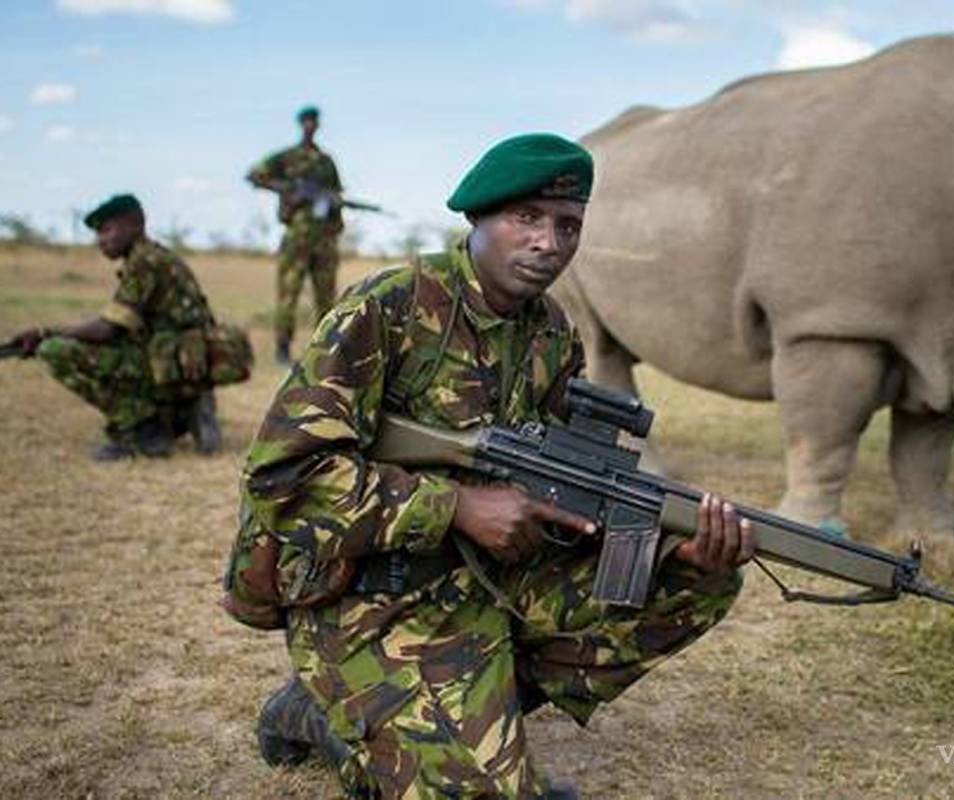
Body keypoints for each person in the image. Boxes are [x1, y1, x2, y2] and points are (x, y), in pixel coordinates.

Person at [235, 133, 754, 799]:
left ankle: (473, 702)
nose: (549, 243)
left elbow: (560, 478)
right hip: (368, 592)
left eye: (568, 226)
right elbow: (282, 477)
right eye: (527, 217)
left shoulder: (551, 332)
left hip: (483, 582)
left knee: (697, 579)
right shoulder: (389, 306)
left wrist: (670, 546)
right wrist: (456, 507)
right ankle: (326, 709)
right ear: (477, 216)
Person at [8, 193, 222, 460]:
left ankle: (144, 430)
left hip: (172, 365)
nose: (101, 239)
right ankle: (178, 411)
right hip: (180, 364)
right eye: (98, 232)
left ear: (135, 224)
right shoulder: (156, 256)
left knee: (55, 350)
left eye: (107, 229)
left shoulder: (144, 262)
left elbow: (108, 329)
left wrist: (45, 334)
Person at [247, 104, 344, 364]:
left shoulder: (326, 162)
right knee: (288, 293)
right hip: (297, 238)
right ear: (301, 124)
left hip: (324, 239)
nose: (311, 125)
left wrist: (334, 204)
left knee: (326, 297)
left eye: (315, 121)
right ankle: (282, 348)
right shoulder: (287, 157)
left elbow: (337, 193)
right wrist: (287, 189)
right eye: (307, 121)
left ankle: (324, 352)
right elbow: (254, 175)